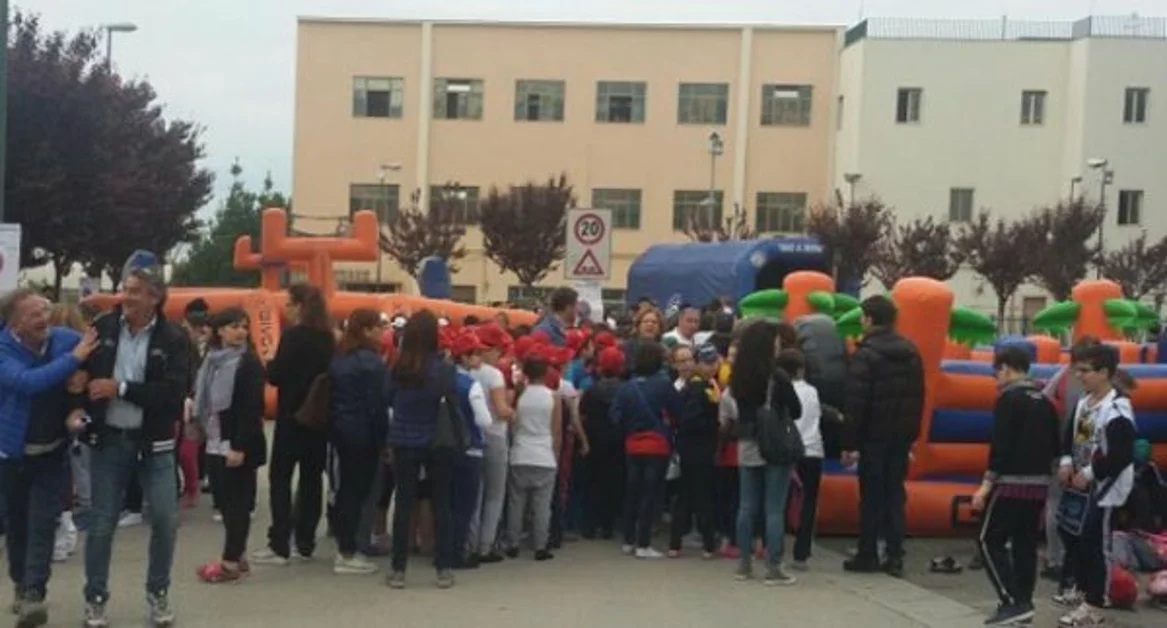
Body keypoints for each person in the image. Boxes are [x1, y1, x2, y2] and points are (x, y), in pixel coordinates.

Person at [80, 251, 191, 628]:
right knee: (101, 523)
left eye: (137, 291)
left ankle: (158, 592)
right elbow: (83, 370)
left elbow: (173, 393)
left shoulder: (174, 338)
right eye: (126, 289)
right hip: (109, 440)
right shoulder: (104, 326)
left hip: (154, 444)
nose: (128, 297)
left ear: (156, 297)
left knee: (164, 520)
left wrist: (122, 388)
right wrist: (76, 383)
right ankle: (95, 597)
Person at [0, 289, 97, 627]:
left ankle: (33, 595)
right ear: (15, 322)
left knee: (43, 523)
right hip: (11, 455)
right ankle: (19, 582)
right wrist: (73, 361)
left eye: (45, 310)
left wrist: (81, 392)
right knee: (17, 525)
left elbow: (94, 349)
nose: (44, 318)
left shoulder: (64, 339)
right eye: (33, 315)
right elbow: (27, 382)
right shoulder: (3, 350)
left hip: (52, 452)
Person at [968, 346, 1060, 625]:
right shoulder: (1044, 401)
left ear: (1005, 368)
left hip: (1010, 482)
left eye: (996, 371)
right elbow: (1055, 444)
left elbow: (1001, 444)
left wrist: (986, 484)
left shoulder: (1008, 400)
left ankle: (1011, 600)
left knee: (987, 539)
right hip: (1039, 484)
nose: (996, 377)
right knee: (1025, 543)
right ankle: (1025, 601)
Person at [841, 295, 924, 579]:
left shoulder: (866, 354)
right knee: (894, 494)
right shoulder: (912, 352)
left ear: (870, 319)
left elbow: (855, 402)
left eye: (863, 317)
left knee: (871, 497)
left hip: (872, 438)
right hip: (900, 438)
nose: (861, 322)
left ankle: (868, 553)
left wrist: (849, 442)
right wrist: (911, 435)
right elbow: (918, 398)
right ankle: (895, 554)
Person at [253, 284, 335, 566]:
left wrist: (270, 364)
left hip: (291, 415)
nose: (285, 307)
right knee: (312, 479)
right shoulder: (328, 338)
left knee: (281, 477)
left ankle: (279, 542)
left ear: (299, 306)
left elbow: (276, 375)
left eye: (289, 302)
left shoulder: (293, 337)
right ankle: (305, 540)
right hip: (318, 417)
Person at [1056, 344, 1137, 628]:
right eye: (1077, 369)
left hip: (1103, 489)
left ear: (1104, 372)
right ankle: (1080, 592)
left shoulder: (1117, 409)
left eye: (1085, 370)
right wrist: (1066, 461)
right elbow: (1069, 437)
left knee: (1096, 544)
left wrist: (1090, 473)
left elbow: (1121, 454)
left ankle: (1095, 602)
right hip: (1078, 486)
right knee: (1074, 539)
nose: (1080, 376)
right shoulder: (1083, 402)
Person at [722, 321, 803, 585]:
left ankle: (744, 564)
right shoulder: (777, 376)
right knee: (774, 508)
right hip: (774, 444)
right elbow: (796, 408)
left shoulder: (738, 374)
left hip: (747, 442)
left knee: (746, 506)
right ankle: (773, 567)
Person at [193, 309, 267, 584]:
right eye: (234, 326)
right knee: (223, 501)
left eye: (244, 327)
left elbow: (251, 408)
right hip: (213, 438)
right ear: (219, 331)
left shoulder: (248, 364)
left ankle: (230, 562)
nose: (240, 332)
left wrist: (239, 446)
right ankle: (239, 554)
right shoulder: (212, 360)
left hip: (236, 442)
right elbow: (205, 397)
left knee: (236, 505)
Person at [385, 311, 458, 590]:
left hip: (404, 438)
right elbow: (451, 398)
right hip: (437, 440)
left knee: (404, 503)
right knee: (441, 502)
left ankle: (398, 569)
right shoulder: (443, 368)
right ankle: (443, 568)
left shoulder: (400, 367)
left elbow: (387, 397)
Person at [324, 309, 390, 576]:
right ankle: (349, 552)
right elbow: (378, 406)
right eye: (377, 327)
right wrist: (384, 441)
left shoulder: (340, 358)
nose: (381, 331)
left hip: (341, 428)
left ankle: (344, 545)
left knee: (344, 490)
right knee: (359, 492)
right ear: (366, 330)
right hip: (364, 432)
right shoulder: (372, 362)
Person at [611, 341, 682, 559]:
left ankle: (628, 540)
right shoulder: (664, 385)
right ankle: (643, 543)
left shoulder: (627, 387)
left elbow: (615, 416)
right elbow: (678, 412)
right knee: (650, 495)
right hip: (657, 444)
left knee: (632, 492)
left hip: (632, 444)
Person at [1041, 336, 1101, 580]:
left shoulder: (1063, 376)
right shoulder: (1082, 383)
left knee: (1056, 504)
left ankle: (1057, 558)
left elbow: (1045, 399)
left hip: (1062, 450)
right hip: (1077, 453)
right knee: (1068, 506)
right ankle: (1065, 559)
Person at [504, 357, 562, 561]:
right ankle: (540, 545)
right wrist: (556, 455)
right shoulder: (553, 397)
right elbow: (556, 430)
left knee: (516, 502)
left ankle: (512, 543)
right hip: (544, 454)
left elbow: (511, 426)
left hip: (520, 452)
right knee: (542, 505)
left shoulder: (518, 395)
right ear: (546, 373)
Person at [668, 343, 722, 558]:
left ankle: (675, 543)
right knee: (701, 497)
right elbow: (691, 419)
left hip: (688, 449)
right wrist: (714, 425)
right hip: (699, 449)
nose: (712, 367)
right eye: (707, 363)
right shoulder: (701, 388)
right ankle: (707, 544)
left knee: (685, 497)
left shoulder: (693, 386)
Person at [467, 323, 514, 564]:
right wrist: (515, 410)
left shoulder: (467, 371)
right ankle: (486, 546)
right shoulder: (494, 374)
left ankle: (470, 542)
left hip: (472, 436)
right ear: (491, 349)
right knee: (495, 494)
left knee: (475, 493)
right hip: (495, 434)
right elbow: (501, 410)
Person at [777, 348, 824, 572]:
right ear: (801, 369)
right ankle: (802, 552)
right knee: (809, 502)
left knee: (780, 501)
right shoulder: (812, 391)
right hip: (813, 449)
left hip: (787, 450)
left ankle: (774, 548)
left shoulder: (779, 390)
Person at [449, 330, 492, 569]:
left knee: (446, 503)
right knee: (465, 506)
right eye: (476, 354)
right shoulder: (471, 385)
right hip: (470, 449)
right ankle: (459, 553)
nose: (479, 359)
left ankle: (443, 551)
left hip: (445, 448)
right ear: (464, 357)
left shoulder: (444, 380)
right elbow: (485, 420)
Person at [578, 346, 625, 539]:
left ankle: (589, 526)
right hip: (618, 442)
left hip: (594, 440)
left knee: (592, 484)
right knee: (614, 485)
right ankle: (608, 526)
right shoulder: (626, 389)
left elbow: (582, 415)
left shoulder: (591, 391)